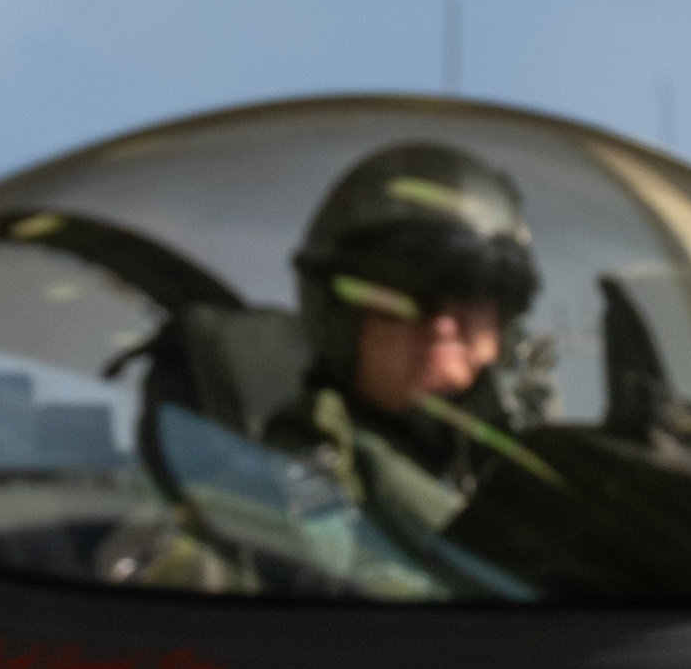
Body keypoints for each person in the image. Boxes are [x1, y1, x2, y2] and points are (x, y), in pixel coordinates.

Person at [139, 138, 561, 595]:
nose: (441, 325)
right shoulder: (270, 494)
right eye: (403, 292)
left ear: (506, 325)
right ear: (339, 323)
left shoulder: (547, 482)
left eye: (473, 292)